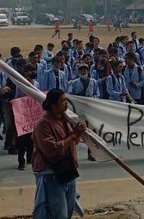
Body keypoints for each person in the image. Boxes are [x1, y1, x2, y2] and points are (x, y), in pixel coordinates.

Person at [32, 89, 86, 219]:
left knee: (67, 210)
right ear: (53, 104)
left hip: (67, 170)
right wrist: (73, 136)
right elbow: (51, 149)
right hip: (52, 173)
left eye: (66, 100)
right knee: (58, 213)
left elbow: (75, 142)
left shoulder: (66, 120)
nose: (66, 104)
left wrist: (77, 134)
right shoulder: (43, 124)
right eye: (63, 101)